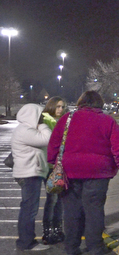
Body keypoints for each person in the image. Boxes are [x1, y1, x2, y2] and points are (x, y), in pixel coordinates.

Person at [48, 91, 119, 255]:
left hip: (70, 170)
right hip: (98, 172)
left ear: (81, 102)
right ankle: (95, 246)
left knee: (71, 210)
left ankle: (71, 246)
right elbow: (118, 146)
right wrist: (118, 163)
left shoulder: (67, 119)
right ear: (99, 103)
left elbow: (54, 142)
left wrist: (52, 161)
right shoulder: (107, 120)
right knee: (94, 209)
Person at [13, 103, 52, 251]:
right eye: (40, 116)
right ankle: (26, 242)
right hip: (29, 174)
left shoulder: (25, 129)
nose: (42, 118)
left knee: (29, 208)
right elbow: (48, 138)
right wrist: (42, 125)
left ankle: (26, 241)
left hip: (30, 172)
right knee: (29, 209)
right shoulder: (25, 130)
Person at [40, 97, 67, 244]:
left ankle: (58, 228)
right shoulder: (46, 122)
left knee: (60, 199)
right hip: (50, 165)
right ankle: (47, 231)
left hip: (61, 165)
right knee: (52, 199)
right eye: (57, 106)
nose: (60, 109)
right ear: (51, 107)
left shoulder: (62, 121)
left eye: (62, 107)